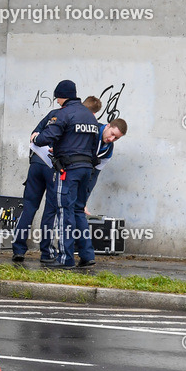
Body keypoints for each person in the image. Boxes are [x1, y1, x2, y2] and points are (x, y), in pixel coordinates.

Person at [31, 80, 100, 268]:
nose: (57, 102)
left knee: (64, 212)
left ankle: (66, 259)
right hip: (86, 169)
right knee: (78, 211)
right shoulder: (90, 116)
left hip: (68, 170)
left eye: (57, 98)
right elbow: (95, 147)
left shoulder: (64, 113)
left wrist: (36, 137)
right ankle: (87, 255)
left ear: (62, 96)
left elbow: (48, 137)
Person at [72, 118, 128, 266]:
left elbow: (94, 176)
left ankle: (83, 255)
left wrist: (84, 199)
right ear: (107, 126)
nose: (111, 139)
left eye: (116, 138)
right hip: (71, 173)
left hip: (84, 177)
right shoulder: (91, 131)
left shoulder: (108, 149)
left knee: (77, 213)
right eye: (112, 134)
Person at [11, 108, 57, 263]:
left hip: (36, 163)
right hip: (54, 167)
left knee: (29, 207)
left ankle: (18, 249)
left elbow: (34, 134)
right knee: (50, 211)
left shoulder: (52, 114)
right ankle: (46, 253)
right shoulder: (71, 116)